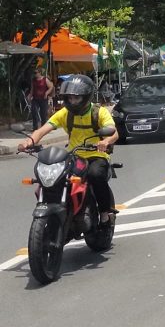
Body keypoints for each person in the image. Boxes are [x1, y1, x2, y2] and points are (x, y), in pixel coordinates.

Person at [18, 74, 119, 226]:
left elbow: (114, 131)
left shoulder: (99, 112)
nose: (72, 101)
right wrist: (30, 141)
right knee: (54, 178)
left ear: (86, 97)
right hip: (73, 155)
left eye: (76, 98)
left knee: (95, 175)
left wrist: (106, 141)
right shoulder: (65, 113)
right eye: (70, 98)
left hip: (95, 154)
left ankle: (105, 212)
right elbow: (43, 129)